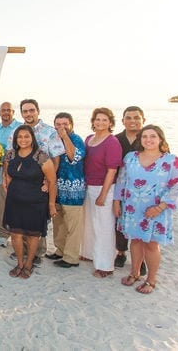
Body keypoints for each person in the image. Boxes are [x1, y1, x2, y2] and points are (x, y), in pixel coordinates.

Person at [113, 125, 178, 294]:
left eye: (153, 136)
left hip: (156, 210)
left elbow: (177, 187)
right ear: (140, 139)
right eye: (145, 136)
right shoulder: (131, 157)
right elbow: (122, 180)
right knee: (135, 241)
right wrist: (117, 202)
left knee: (151, 245)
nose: (148, 140)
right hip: (132, 208)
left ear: (160, 139)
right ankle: (135, 273)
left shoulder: (171, 160)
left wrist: (160, 207)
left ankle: (151, 280)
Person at [8, 99, 65, 265]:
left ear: (38, 111)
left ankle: (37, 254)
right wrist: (7, 180)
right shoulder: (15, 132)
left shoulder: (49, 132)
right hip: (20, 185)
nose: (28, 114)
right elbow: (10, 157)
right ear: (21, 113)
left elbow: (55, 159)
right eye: (25, 111)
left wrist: (49, 180)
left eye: (31, 110)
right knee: (19, 222)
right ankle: (22, 252)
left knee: (37, 222)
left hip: (40, 183)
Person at [3, 125, 57, 279]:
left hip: (36, 202)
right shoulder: (10, 155)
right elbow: (8, 175)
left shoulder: (41, 156)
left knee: (33, 235)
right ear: (15, 139)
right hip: (14, 201)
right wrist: (8, 188)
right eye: (20, 137)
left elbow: (52, 182)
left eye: (26, 136)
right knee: (16, 234)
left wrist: (51, 204)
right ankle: (20, 263)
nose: (23, 139)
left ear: (32, 138)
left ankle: (28, 264)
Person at [81, 107, 123, 278]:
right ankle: (89, 253)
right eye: (97, 119)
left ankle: (105, 265)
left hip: (103, 187)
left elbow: (112, 171)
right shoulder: (89, 139)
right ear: (93, 122)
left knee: (104, 226)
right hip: (87, 186)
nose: (100, 122)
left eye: (104, 120)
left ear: (110, 123)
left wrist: (103, 194)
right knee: (89, 223)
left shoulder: (112, 142)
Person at [46, 113, 86, 268]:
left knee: (73, 226)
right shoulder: (53, 140)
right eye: (58, 124)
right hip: (57, 190)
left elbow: (73, 157)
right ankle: (60, 250)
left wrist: (65, 137)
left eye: (65, 124)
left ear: (71, 125)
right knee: (59, 223)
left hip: (73, 191)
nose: (61, 127)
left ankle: (71, 258)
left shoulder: (76, 140)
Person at [113, 106, 147, 274]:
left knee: (140, 224)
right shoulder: (116, 139)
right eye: (129, 117)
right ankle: (121, 252)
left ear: (143, 120)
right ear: (123, 121)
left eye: (136, 117)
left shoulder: (148, 138)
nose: (132, 121)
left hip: (145, 191)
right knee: (119, 222)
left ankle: (140, 260)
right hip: (121, 186)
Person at [0, 102, 22, 248]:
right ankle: (3, 234)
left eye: (8, 110)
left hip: (17, 173)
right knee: (1, 205)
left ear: (13, 112)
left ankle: (19, 235)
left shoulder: (20, 128)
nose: (5, 113)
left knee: (17, 206)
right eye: (3, 110)